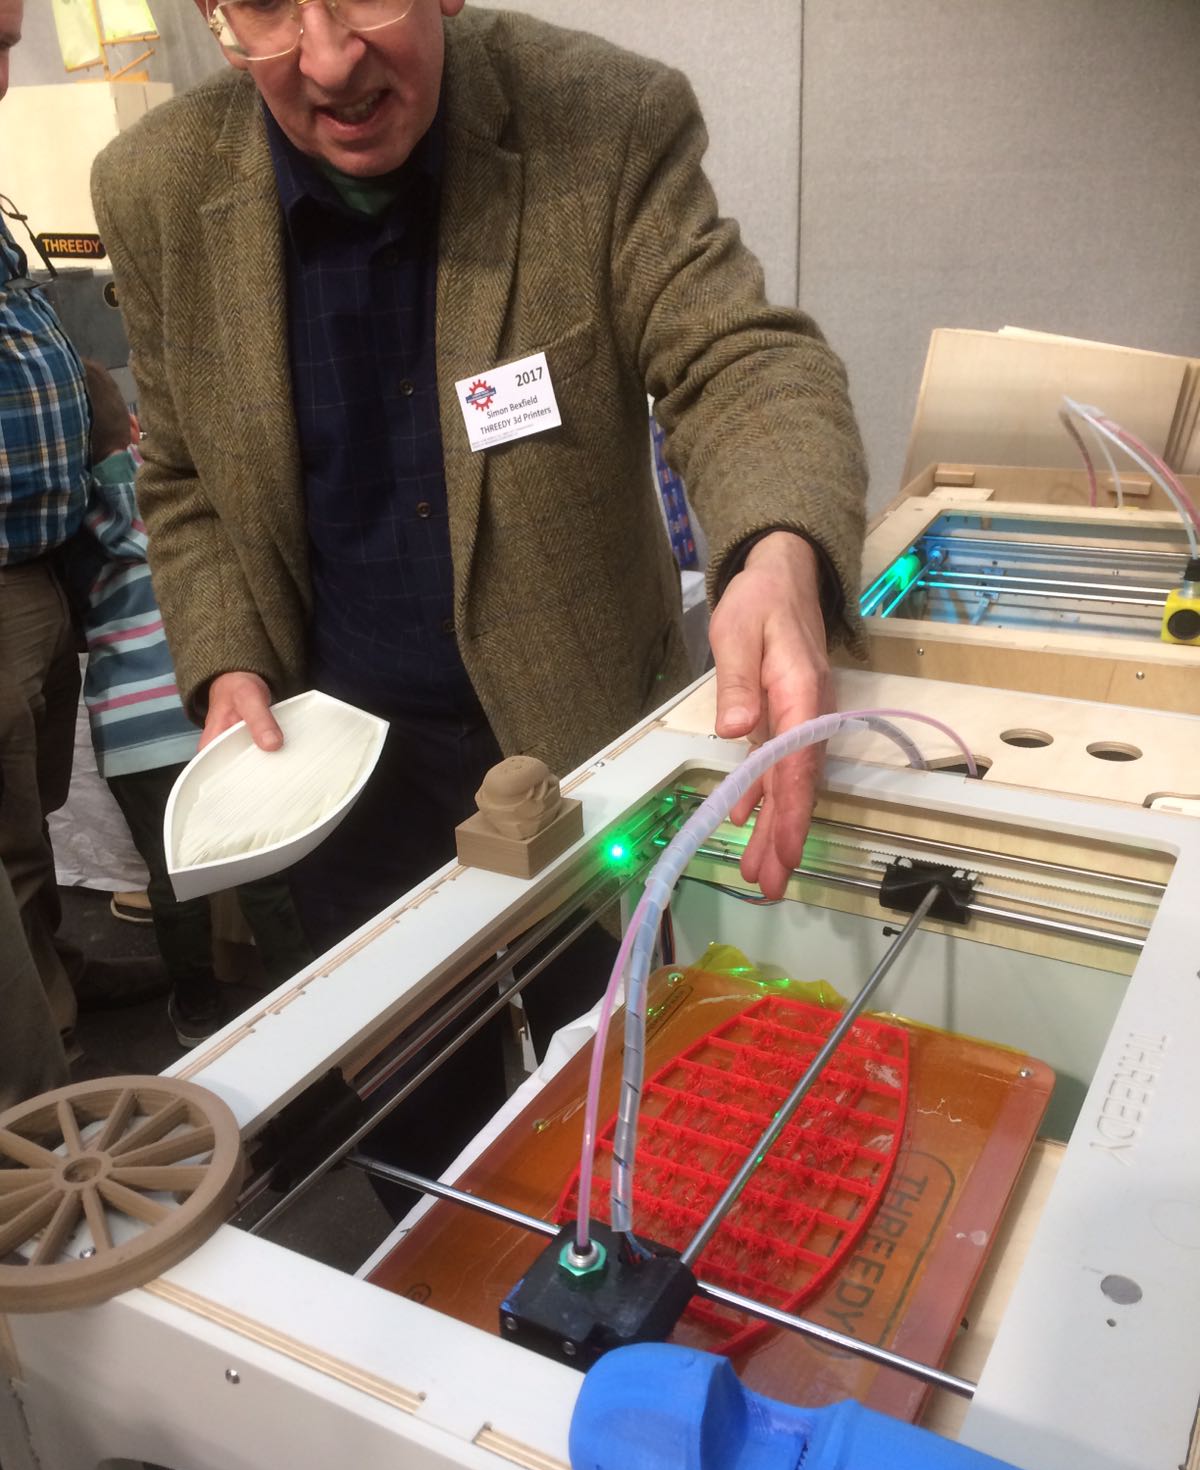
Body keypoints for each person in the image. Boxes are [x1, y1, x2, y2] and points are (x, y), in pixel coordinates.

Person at [90, 1, 867, 1181]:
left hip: (583, 756)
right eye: (267, 6)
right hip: (343, 776)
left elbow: (742, 359)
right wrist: (229, 653)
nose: (329, 60)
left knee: (624, 1096)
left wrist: (777, 552)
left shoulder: (602, 119)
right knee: (408, 1114)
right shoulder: (154, 186)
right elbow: (184, 472)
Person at [0, 0, 167, 1098]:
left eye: (6, 46)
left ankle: (51, 971)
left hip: (40, 559)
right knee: (5, 836)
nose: (1, 77)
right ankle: (39, 1077)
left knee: (33, 809)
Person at [61, 427, 314, 1048]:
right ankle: (300, 991)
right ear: (130, 428)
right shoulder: (177, 490)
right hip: (215, 708)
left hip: (131, 731)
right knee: (262, 863)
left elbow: (69, 622)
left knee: (172, 875)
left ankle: (197, 1008)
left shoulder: (64, 520)